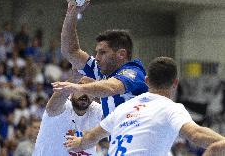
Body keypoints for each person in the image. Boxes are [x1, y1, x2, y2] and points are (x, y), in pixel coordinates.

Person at [64, 57, 225, 156]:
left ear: (146, 81)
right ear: (175, 83)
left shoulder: (124, 108)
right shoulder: (171, 108)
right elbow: (196, 135)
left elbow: (91, 137)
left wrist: (79, 142)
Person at [53, 1, 148, 117]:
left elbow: (112, 87)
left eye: (102, 52)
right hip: (115, 134)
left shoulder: (133, 72)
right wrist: (71, 14)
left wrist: (76, 87)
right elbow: (71, 51)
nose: (97, 58)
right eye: (96, 52)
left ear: (121, 54)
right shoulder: (102, 70)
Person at [32, 74, 103, 156]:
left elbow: (116, 121)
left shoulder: (97, 110)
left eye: (90, 89)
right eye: (81, 87)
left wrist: (86, 141)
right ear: (72, 88)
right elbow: (51, 109)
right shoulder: (62, 105)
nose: (85, 93)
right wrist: (75, 77)